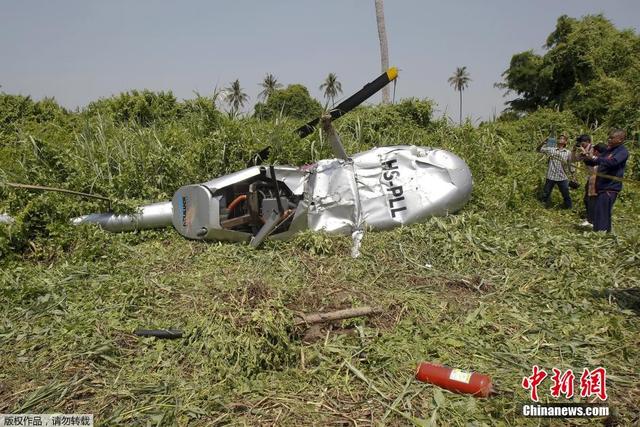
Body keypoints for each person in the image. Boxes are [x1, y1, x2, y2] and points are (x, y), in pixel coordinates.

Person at [582, 129, 629, 232]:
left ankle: (601, 235)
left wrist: (595, 159)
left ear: (620, 139)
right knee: (598, 212)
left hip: (610, 187)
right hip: (601, 186)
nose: (609, 139)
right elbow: (596, 162)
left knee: (602, 212)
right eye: (609, 137)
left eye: (612, 138)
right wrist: (587, 159)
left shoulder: (622, 151)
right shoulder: (608, 151)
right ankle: (600, 233)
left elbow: (613, 162)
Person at [537, 134, 573, 209]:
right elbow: (538, 150)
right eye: (559, 138)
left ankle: (569, 208)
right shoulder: (551, 149)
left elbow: (570, 164)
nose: (560, 139)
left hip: (562, 177)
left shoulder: (568, 152)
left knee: (566, 194)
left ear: (565, 142)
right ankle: (542, 208)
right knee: (546, 193)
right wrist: (543, 143)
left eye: (562, 139)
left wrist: (573, 174)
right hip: (551, 175)